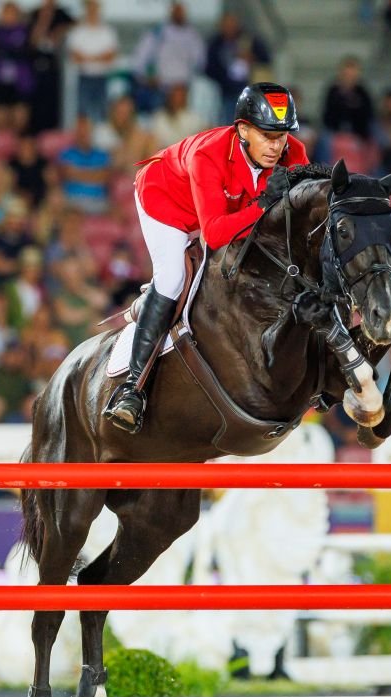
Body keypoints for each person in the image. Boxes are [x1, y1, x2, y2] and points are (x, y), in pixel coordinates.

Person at [103, 82, 309, 434]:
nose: (277, 146)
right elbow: (213, 235)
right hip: (165, 202)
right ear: (243, 130)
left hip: (226, 210)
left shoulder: (293, 152)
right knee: (172, 278)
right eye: (267, 135)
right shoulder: (209, 154)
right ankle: (131, 389)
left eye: (282, 136)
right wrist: (262, 206)